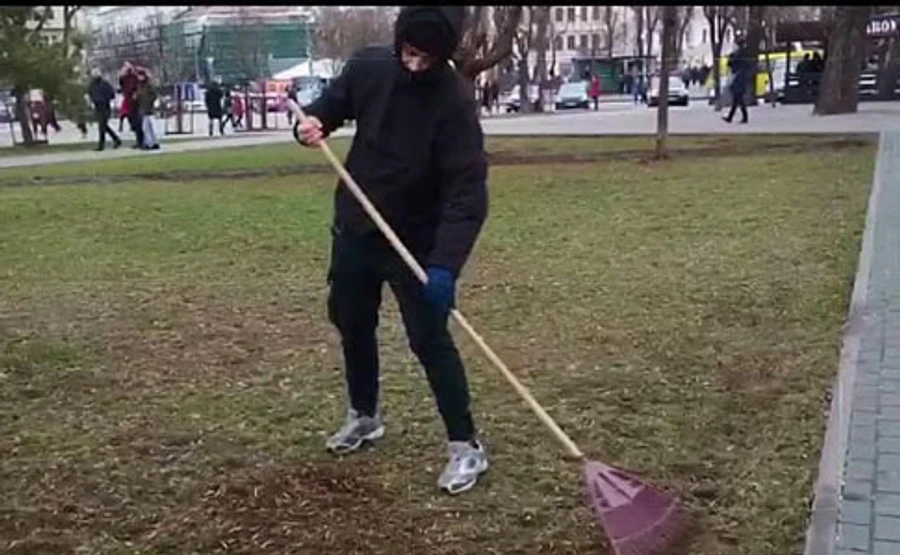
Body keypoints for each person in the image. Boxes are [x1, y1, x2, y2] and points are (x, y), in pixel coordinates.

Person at [294, 6, 490, 495]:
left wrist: (444, 266)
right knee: (352, 321)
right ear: (399, 38)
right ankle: (365, 416)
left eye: (428, 57)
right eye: (410, 52)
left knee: (429, 338)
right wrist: (313, 123)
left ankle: (465, 445)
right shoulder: (370, 67)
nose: (416, 63)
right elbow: (331, 104)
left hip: (415, 243)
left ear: (445, 54)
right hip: (357, 227)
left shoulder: (454, 101)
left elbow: (468, 193)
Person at [87, 67, 122, 151]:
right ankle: (116, 139)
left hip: (105, 107)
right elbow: (89, 94)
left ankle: (101, 145)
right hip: (97, 107)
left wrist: (105, 100)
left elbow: (112, 94)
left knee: (102, 126)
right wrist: (91, 102)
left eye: (97, 73)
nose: (95, 75)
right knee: (103, 126)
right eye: (94, 73)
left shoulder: (105, 84)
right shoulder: (92, 85)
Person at [724, 36, 750, 124]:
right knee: (737, 98)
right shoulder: (744, 52)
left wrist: (731, 57)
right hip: (741, 76)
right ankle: (731, 117)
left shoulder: (739, 53)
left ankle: (743, 117)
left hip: (739, 77)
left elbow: (731, 63)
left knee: (738, 97)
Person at [119, 62, 143, 148]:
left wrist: (136, 94)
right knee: (133, 122)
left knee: (137, 122)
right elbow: (121, 84)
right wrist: (121, 74)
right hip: (129, 101)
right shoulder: (125, 78)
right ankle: (139, 141)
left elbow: (138, 86)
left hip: (135, 102)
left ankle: (141, 141)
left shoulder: (134, 77)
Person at [136, 70, 160, 150]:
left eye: (140, 76)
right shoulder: (140, 86)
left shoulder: (148, 86)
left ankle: (150, 143)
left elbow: (153, 95)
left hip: (148, 108)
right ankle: (151, 142)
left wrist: (150, 103)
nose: (139, 77)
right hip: (144, 108)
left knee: (148, 127)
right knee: (147, 127)